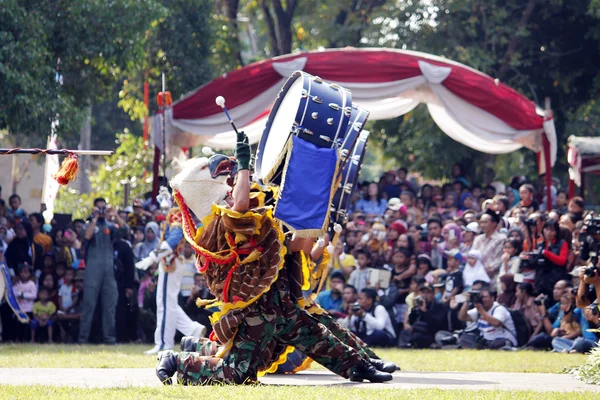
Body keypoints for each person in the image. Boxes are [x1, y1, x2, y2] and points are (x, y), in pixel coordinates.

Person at [156, 138, 393, 384]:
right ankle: (177, 360)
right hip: (254, 314)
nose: (230, 185)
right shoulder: (218, 225)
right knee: (239, 372)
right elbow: (239, 207)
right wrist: (245, 164)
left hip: (276, 304)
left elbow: (291, 246)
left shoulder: (239, 219)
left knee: (314, 332)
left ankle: (358, 365)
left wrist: (309, 214)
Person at [137, 199, 206, 354]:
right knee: (167, 304)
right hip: (170, 262)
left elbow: (174, 239)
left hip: (171, 262)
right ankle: (193, 329)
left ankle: (163, 343)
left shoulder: (177, 213)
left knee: (166, 305)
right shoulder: (176, 213)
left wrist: (152, 257)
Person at [78, 198, 128, 345]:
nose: (101, 211)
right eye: (98, 208)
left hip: (108, 270)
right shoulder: (88, 225)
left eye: (103, 208)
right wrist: (94, 218)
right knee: (89, 304)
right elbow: (87, 236)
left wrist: (115, 215)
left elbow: (125, 230)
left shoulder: (111, 226)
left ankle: (109, 338)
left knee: (109, 305)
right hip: (92, 269)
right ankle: (83, 338)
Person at [401, 282, 446, 348]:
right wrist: (414, 309)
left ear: (433, 294)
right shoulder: (419, 305)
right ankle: (404, 346)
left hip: (431, 334)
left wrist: (425, 311)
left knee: (418, 336)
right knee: (404, 332)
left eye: (428, 292)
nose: (425, 295)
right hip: (417, 331)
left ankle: (410, 345)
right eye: (423, 292)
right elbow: (411, 322)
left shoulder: (439, 306)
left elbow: (436, 324)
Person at [472, 209, 506, 289]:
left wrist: (487, 270)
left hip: (492, 277)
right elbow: (473, 255)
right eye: (481, 222)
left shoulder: (501, 239)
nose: (482, 225)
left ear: (494, 223)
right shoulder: (478, 239)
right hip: (477, 276)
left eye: (485, 222)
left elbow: (499, 259)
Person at [12, 264, 37, 341]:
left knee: (26, 325)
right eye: (22, 272)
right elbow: (13, 293)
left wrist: (23, 295)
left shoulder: (31, 284)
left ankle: (26, 339)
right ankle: (18, 339)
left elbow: (34, 295)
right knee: (18, 325)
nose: (23, 274)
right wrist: (19, 295)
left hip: (28, 309)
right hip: (18, 309)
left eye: (26, 272)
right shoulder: (17, 283)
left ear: (29, 274)